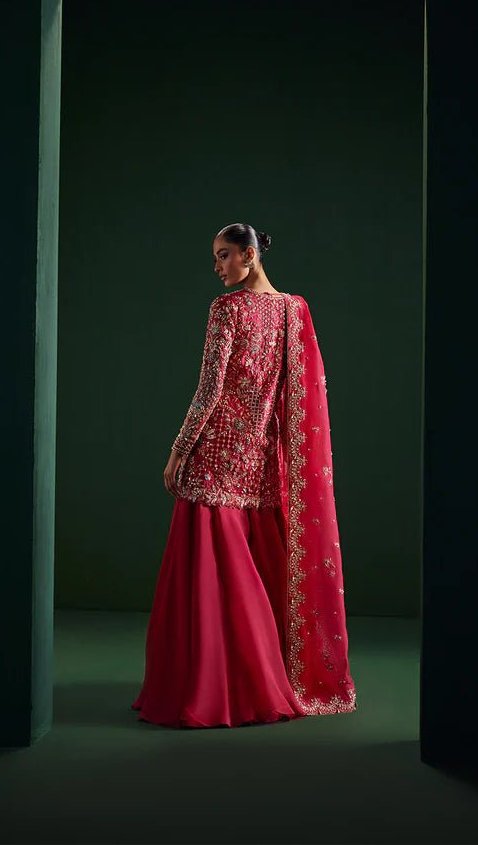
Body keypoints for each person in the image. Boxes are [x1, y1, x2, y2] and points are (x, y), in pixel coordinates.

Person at [131, 223, 357, 728]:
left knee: (213, 582)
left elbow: (209, 389)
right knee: (251, 570)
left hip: (216, 458)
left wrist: (177, 451)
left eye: (224, 256)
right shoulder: (292, 310)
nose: (217, 267)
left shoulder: (226, 310)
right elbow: (291, 396)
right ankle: (262, 680)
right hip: (263, 457)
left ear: (249, 255)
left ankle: (213, 686)